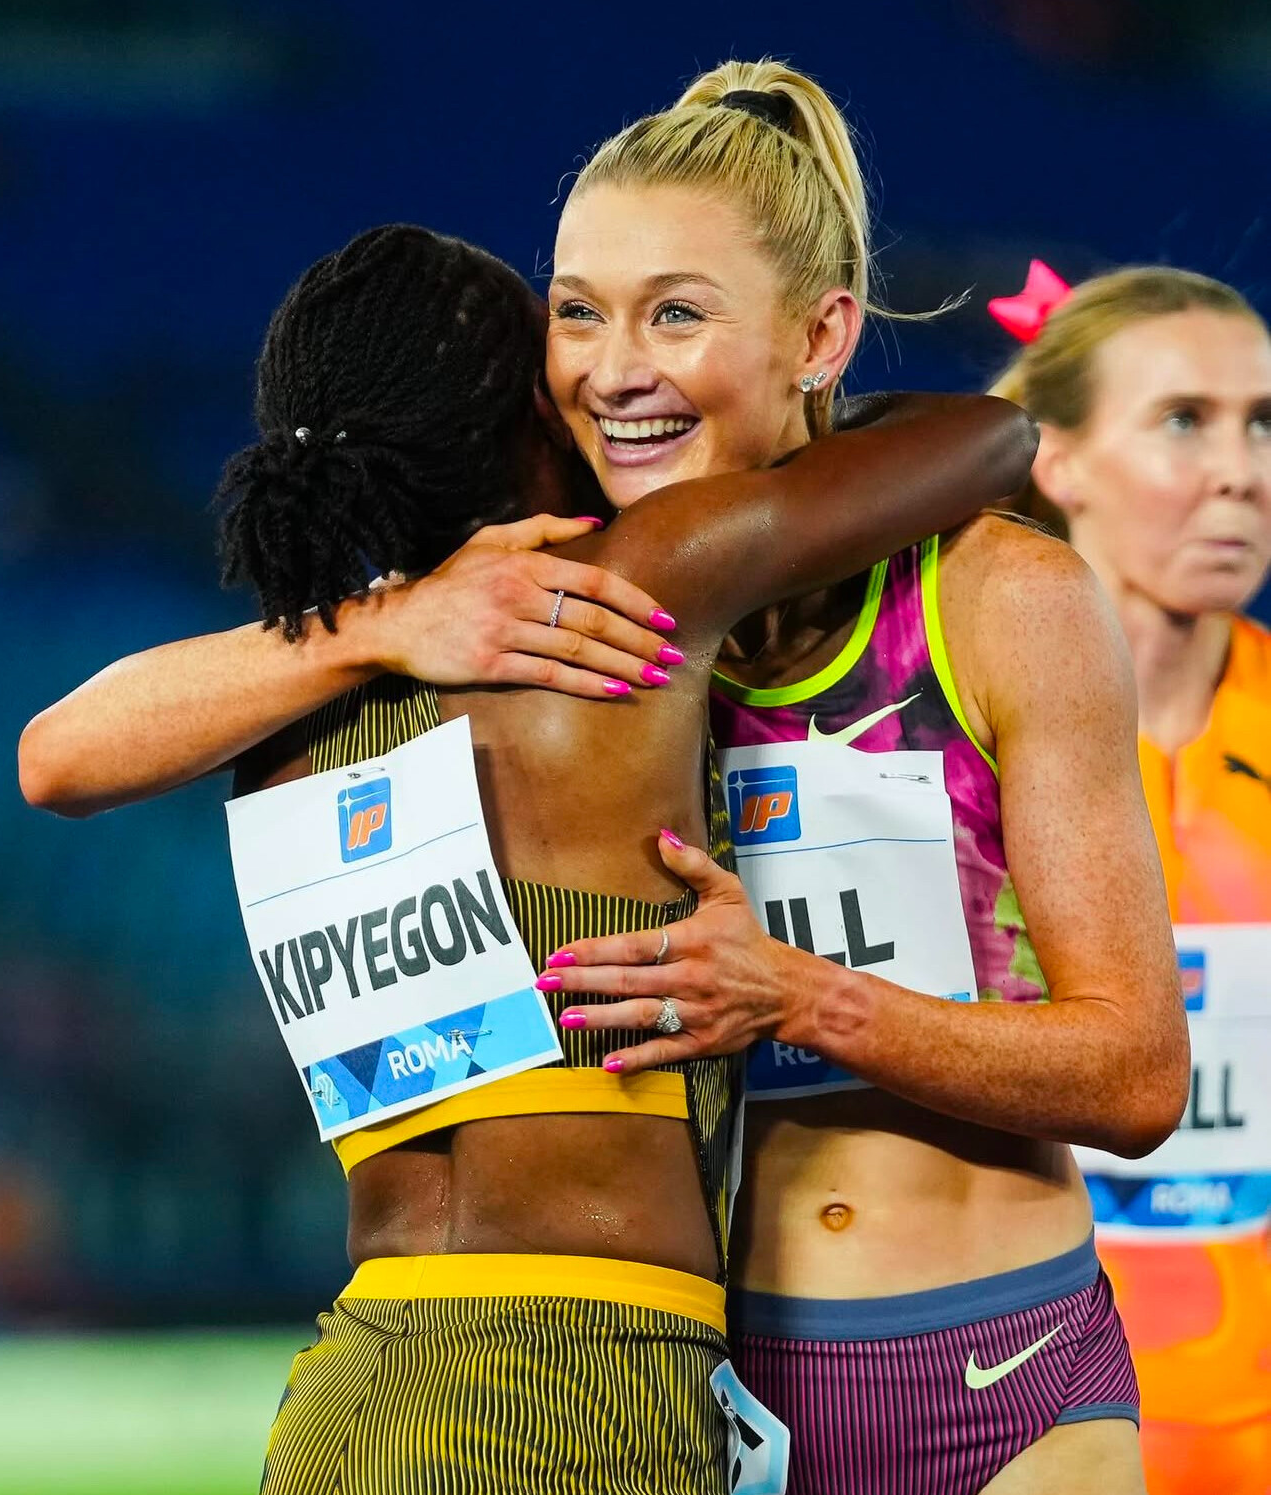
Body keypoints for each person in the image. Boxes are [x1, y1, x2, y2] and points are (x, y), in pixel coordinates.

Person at [54, 214, 1030, 1495]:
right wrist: (751, 392)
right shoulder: (627, 591)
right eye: (564, 336)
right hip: (577, 1378)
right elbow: (992, 439)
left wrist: (375, 622)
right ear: (533, 404)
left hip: (353, 1382)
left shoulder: (281, 719)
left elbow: (53, 758)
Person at [534, 60, 1189, 1495]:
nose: (614, 368)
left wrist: (797, 996)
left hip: (1008, 1376)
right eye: (578, 310)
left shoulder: (1001, 599)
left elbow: (1138, 1071)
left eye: (676, 312)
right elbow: (65, 755)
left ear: (823, 335)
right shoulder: (562, 621)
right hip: (700, 1399)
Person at [990, 262, 1271, 1494]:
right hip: (1025, 1433)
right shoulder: (942, 741)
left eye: (1262, 424)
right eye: (1184, 420)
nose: (1240, 471)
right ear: (1058, 459)